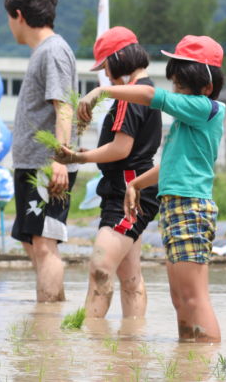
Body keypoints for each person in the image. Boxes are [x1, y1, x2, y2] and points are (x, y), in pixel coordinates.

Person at [76, 35, 225, 341]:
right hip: (176, 207)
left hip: (191, 208)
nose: (176, 92)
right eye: (176, 85)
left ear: (206, 88)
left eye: (181, 86)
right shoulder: (189, 119)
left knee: (194, 297)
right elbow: (172, 164)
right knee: (180, 299)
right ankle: (188, 361)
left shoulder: (206, 108)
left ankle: (205, 361)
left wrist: (101, 90)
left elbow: (150, 95)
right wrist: (138, 183)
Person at [53, 26, 162, 318]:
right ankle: (130, 344)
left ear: (119, 59)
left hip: (128, 188)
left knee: (100, 269)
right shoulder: (139, 92)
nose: (106, 75)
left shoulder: (130, 97)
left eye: (106, 66)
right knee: (130, 277)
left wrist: (78, 156)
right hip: (128, 186)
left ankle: (89, 334)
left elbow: (121, 149)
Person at [4, 0, 78, 302]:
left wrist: (59, 160)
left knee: (45, 245)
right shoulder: (43, 52)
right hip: (30, 164)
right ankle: (51, 313)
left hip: (45, 167)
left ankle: (47, 330)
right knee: (31, 240)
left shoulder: (54, 51)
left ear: (18, 15)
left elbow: (64, 107)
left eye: (8, 19)